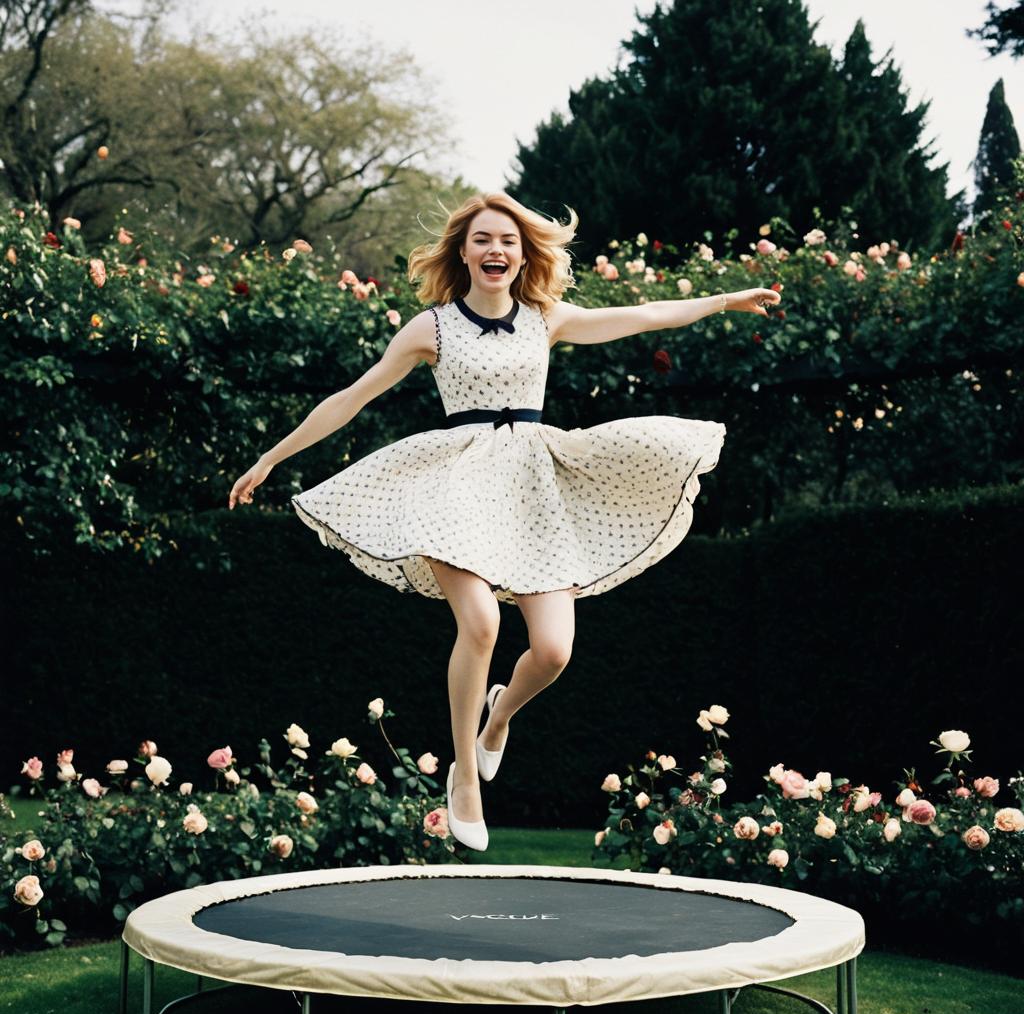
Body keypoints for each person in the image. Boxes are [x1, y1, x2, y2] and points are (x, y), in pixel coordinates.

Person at [228, 191, 780, 851]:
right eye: (484, 239)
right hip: (455, 484)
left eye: (508, 241)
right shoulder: (430, 329)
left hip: (532, 488)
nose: (496, 249)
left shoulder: (544, 317)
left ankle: (497, 719)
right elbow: (351, 397)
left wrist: (721, 301)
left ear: (523, 256)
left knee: (551, 652)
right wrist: (272, 456)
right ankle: (465, 774)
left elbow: (642, 314)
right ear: (463, 252)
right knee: (483, 622)